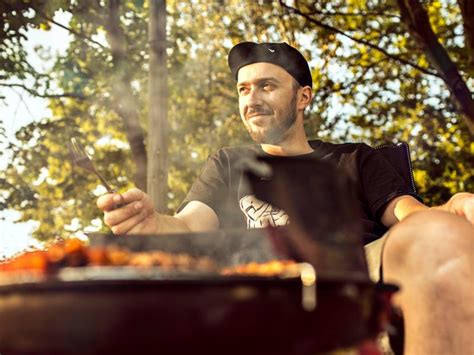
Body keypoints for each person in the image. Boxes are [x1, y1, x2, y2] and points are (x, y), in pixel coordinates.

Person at [97, 42, 474, 354]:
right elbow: (187, 225)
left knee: (437, 235)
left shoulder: (355, 158)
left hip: (357, 272)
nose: (252, 99)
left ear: (303, 96)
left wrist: (450, 210)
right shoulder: (229, 164)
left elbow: (411, 217)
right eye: (243, 89)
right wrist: (151, 224)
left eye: (266, 86)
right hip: (257, 284)